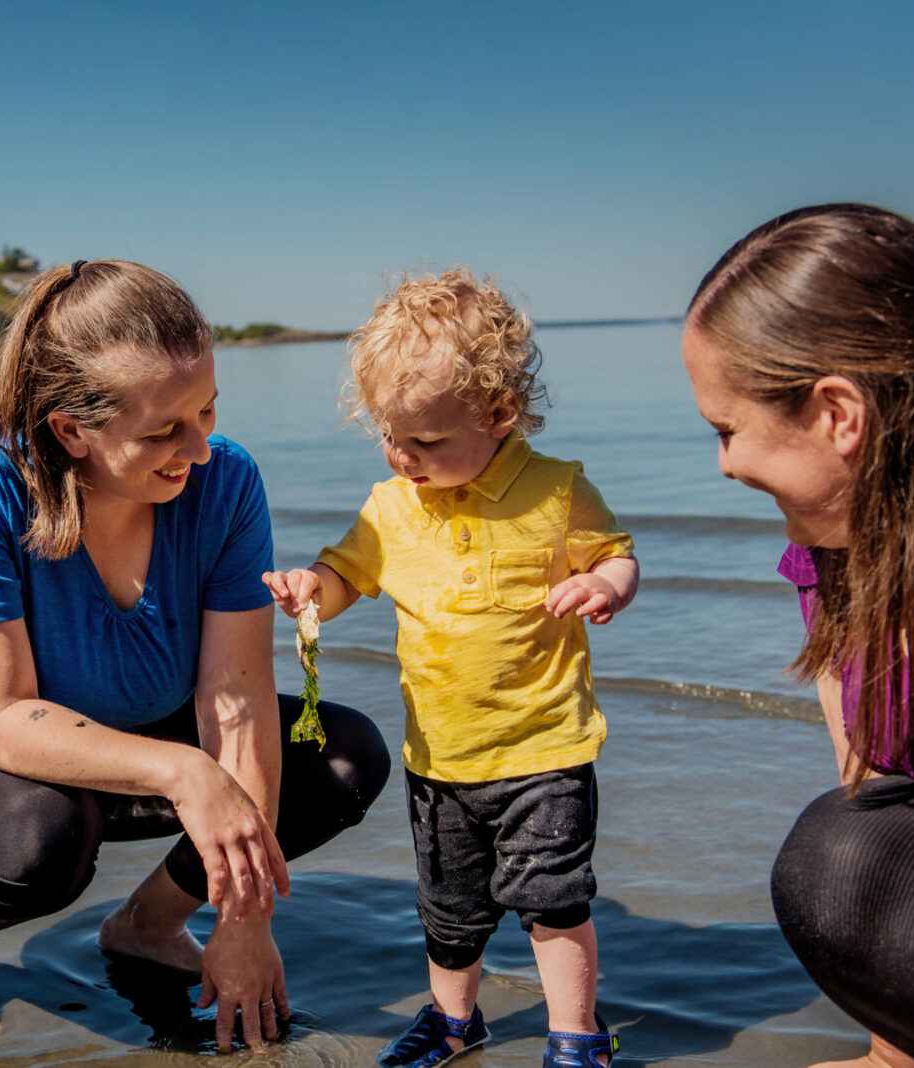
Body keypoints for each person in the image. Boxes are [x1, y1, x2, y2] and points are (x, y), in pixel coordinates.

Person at [0, 259, 390, 1053]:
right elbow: (0, 721)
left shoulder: (226, 481)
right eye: (165, 430)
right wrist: (187, 773)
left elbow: (234, 693)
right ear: (71, 429)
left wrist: (243, 917)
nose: (200, 448)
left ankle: (145, 923)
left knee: (338, 760)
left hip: (124, 738)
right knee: (44, 836)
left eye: (207, 411)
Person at [263, 270, 639, 1067]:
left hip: (546, 750)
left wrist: (604, 585)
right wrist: (307, 591)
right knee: (449, 913)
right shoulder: (391, 507)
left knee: (554, 902)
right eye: (390, 437)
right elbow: (344, 581)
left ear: (498, 414)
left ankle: (575, 1033)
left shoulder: (556, 489)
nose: (403, 457)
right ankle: (455, 1021)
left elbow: (618, 555)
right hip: (441, 760)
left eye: (425, 441)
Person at [681, 204, 914, 1068]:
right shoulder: (838, 558)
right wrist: (891, 1054)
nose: (725, 464)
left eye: (726, 429)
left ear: (838, 414)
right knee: (843, 859)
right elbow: (885, 809)